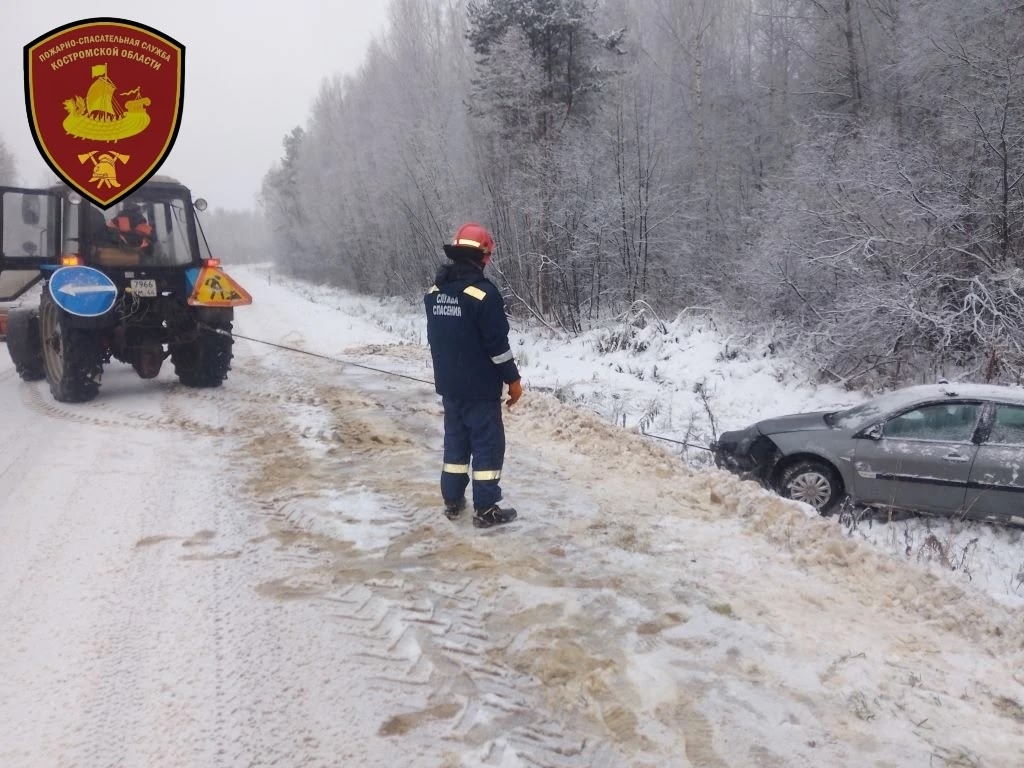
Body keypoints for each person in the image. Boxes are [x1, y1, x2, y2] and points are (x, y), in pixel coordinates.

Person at [425, 222, 523, 528]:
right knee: (487, 445)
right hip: (480, 391)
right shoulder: (483, 294)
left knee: (455, 444)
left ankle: (453, 501)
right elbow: (497, 345)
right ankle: (486, 509)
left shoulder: (434, 293)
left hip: (450, 388)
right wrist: (513, 379)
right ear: (483, 256)